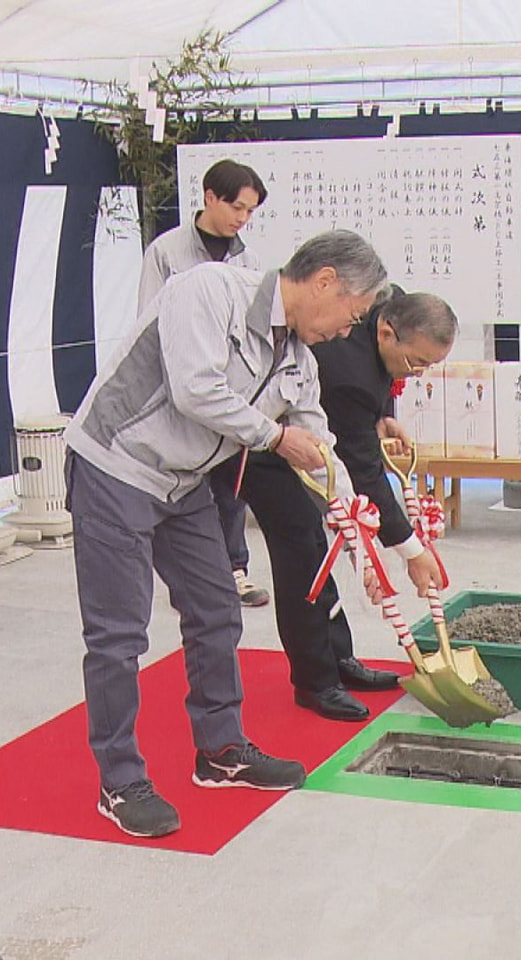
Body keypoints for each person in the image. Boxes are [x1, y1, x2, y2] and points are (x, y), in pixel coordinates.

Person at [65, 230, 389, 839]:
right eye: (353, 315)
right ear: (324, 282)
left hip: (184, 482)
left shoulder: (300, 358)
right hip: (116, 465)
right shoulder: (210, 291)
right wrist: (273, 437)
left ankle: (220, 751)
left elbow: (321, 448)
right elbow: (196, 390)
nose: (349, 331)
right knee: (118, 635)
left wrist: (360, 535)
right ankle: (119, 780)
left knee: (217, 611)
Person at [232, 287, 454, 720]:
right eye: (417, 363)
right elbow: (365, 472)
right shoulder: (348, 371)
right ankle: (315, 682)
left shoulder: (386, 300)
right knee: (303, 552)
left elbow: (384, 379)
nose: (419, 373)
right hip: (266, 447)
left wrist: (383, 411)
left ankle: (339, 659)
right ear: (387, 333)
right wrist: (411, 549)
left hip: (316, 436)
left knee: (322, 548)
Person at [138, 158, 272, 608]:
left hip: (229, 388)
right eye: (237, 206)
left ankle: (235, 570)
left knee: (232, 486)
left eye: (251, 211)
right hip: (180, 385)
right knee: (185, 484)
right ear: (209, 197)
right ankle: (193, 572)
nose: (242, 218)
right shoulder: (166, 252)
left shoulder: (249, 259)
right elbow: (148, 322)